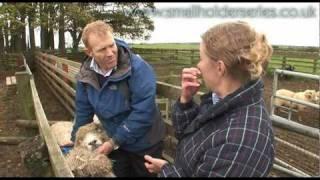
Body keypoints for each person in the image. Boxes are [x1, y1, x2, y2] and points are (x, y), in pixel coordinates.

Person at [144, 21, 275, 177]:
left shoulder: (239, 144)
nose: (198, 65)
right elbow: (188, 135)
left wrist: (166, 171)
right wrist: (186, 100)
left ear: (220, 67)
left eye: (201, 58)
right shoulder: (221, 100)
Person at [67, 20, 165, 177]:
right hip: (114, 140)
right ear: (89, 52)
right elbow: (83, 112)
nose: (110, 52)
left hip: (145, 142)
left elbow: (143, 111)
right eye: (102, 49)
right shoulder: (86, 76)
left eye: (111, 45)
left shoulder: (138, 68)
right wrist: (76, 141)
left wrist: (113, 142)